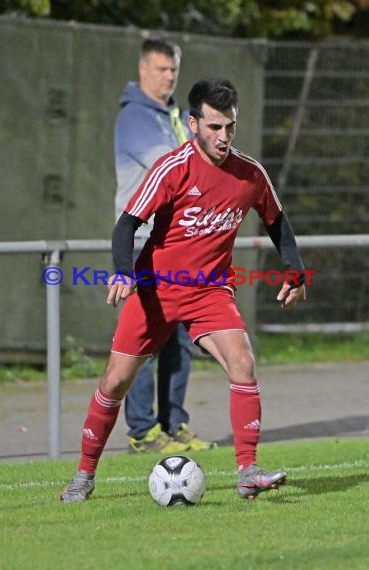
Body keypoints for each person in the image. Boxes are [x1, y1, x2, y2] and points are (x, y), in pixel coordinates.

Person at [60, 78, 306, 503]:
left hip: (211, 292)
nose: (224, 137)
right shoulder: (172, 169)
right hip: (155, 291)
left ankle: (248, 471)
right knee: (116, 381)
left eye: (230, 126)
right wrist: (122, 273)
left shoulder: (250, 174)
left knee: (243, 363)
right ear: (193, 123)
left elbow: (277, 223)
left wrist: (295, 273)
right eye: (214, 127)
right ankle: (83, 475)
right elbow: (127, 225)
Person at [114, 37, 214, 453]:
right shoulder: (135, 116)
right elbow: (170, 167)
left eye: (173, 69)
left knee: (179, 340)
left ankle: (173, 424)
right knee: (145, 340)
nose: (169, 76)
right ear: (143, 71)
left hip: (178, 246)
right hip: (142, 246)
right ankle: (143, 432)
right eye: (160, 69)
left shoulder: (175, 115)